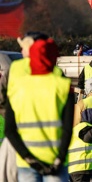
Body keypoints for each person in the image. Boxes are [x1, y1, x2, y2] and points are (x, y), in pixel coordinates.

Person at [5, 38, 75, 181]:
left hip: (26, 162)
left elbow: (10, 130)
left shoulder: (17, 87)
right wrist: (59, 160)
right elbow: (68, 129)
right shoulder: (63, 86)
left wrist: (29, 159)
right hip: (55, 160)